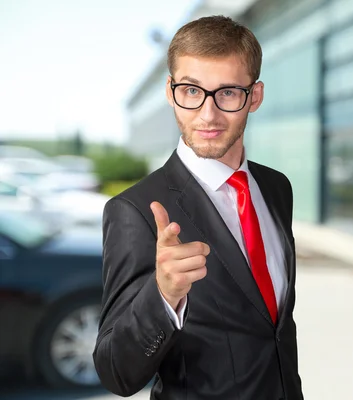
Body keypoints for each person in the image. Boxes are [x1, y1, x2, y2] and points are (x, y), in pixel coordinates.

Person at [93, 15, 303, 400]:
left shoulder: (276, 188)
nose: (208, 115)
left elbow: (272, 330)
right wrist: (163, 296)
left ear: (254, 97)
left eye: (227, 93)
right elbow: (115, 373)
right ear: (171, 91)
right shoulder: (134, 210)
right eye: (192, 91)